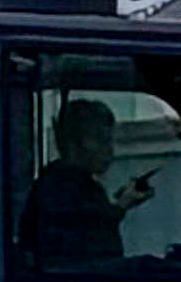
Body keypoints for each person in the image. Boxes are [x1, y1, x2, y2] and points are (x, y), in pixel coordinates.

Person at [17, 97, 131, 272]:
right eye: (99, 139)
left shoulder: (83, 185)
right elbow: (85, 235)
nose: (108, 149)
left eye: (109, 140)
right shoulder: (57, 188)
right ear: (72, 142)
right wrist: (121, 206)